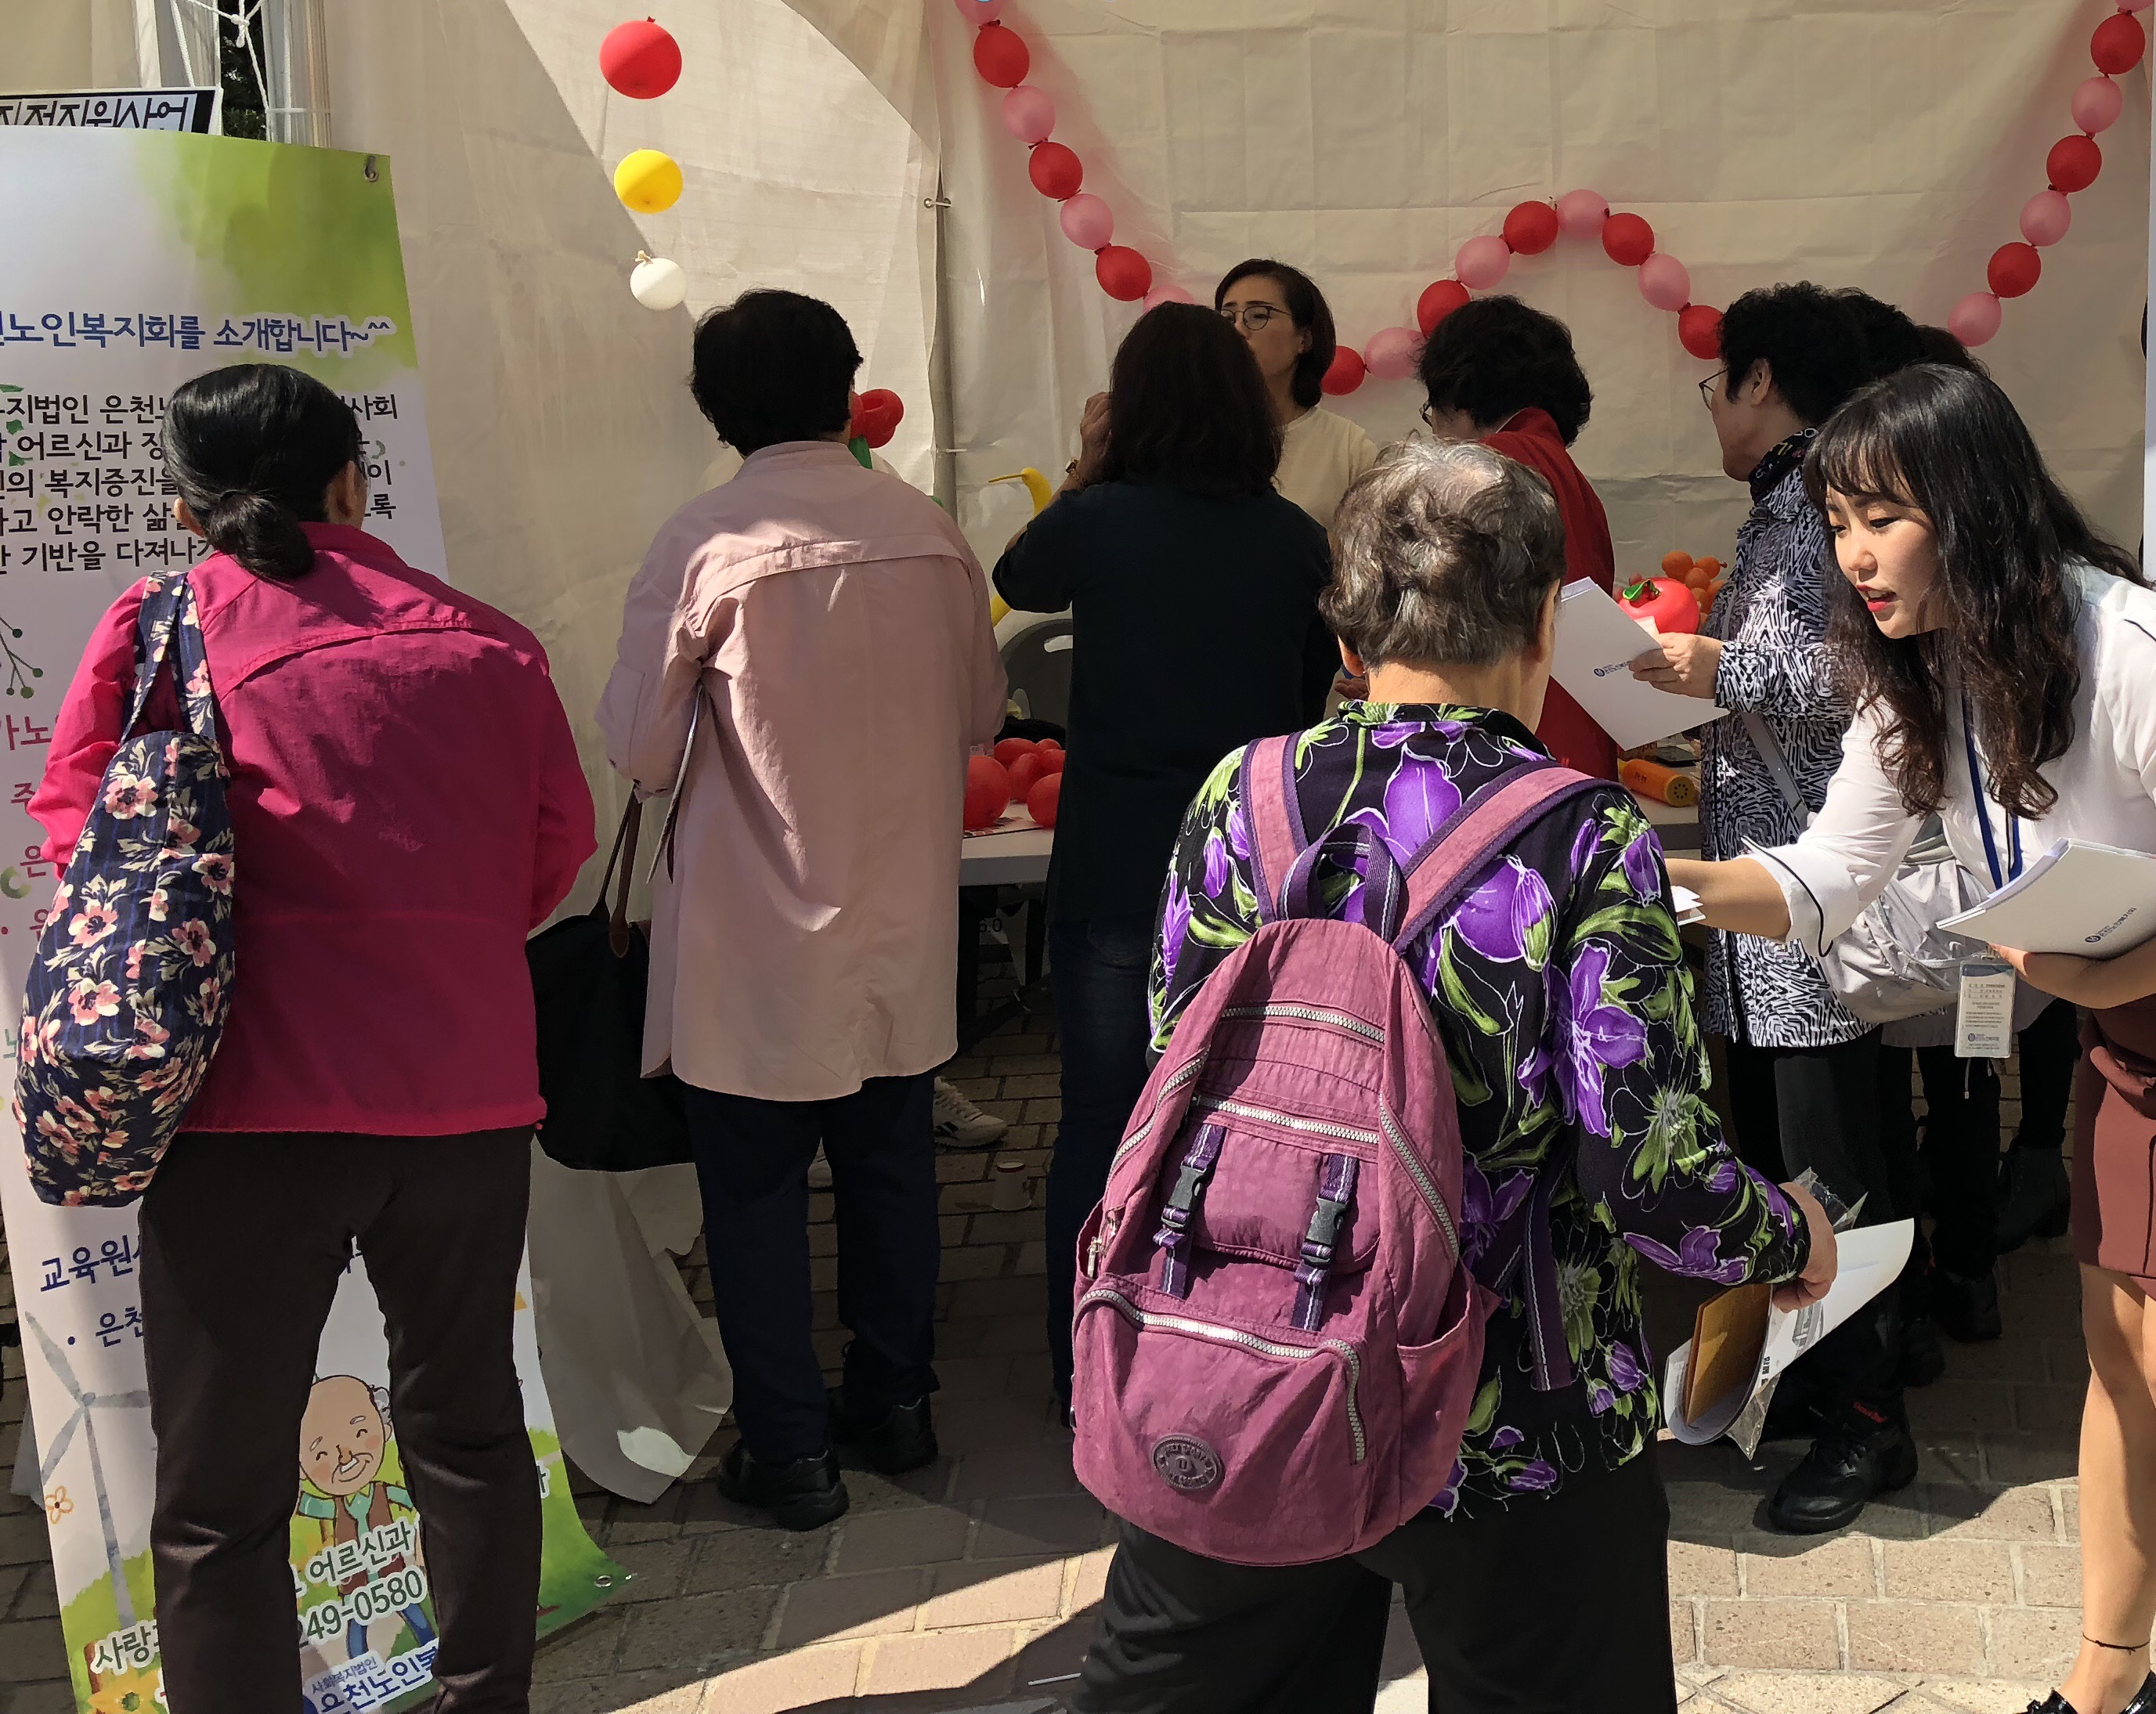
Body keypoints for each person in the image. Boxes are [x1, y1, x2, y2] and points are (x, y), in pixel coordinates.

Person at [1670, 365, 2156, 1714]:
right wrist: (1647, 882)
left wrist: (2088, 975)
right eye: (1836, 523)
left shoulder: (2140, 650)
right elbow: (1827, 873)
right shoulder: (1911, 667)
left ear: (1970, 507)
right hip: (2135, 1018)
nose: (1853, 555)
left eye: (1881, 518)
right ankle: (2101, 1681)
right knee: (2117, 1353)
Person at [1074, 439, 1834, 1713]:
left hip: (1253, 1362)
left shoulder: (1238, 795)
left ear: (1349, 624)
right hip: (1514, 1406)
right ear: (1544, 624)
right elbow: (1644, 1166)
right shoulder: (1581, 832)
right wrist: (1783, 1231)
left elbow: (1174, 1062)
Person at [33, 361, 594, 1714]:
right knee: (470, 1431)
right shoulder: (491, 642)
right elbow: (551, 850)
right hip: (463, 1097)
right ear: (355, 480)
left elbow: (82, 847)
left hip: (247, 1110)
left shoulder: (161, 630)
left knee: (220, 1493)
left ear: (187, 508)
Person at [601, 290, 1004, 1530]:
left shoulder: (704, 540)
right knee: (891, 1173)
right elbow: (982, 716)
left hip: (754, 931)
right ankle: (896, 1405)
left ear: (716, 409)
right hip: (900, 917)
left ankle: (789, 1451)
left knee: (756, 1196)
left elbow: (643, 753)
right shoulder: (929, 532)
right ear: (846, 388)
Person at [990, 303, 1337, 1403]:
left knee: (1101, 1113)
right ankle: (1221, 1359)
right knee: (1236, 1116)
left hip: (1117, 863)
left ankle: (1084, 1372)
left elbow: (1019, 577)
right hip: (1250, 863)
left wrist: (1089, 466)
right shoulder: (1292, 539)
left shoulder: (1100, 521)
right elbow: (1303, 705)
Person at [1623, 282, 1920, 1531]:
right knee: (1796, 1158)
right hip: (1775, 907)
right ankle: (1816, 1375)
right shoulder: (1793, 500)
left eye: (1718, 383)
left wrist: (1713, 664)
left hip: (1810, 903)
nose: (1712, 408)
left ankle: (1868, 1423)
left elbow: (1850, 666)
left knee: (1830, 1165)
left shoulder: (1821, 500)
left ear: (1758, 382)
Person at [1414, 294, 1616, 778]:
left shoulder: (1486, 465)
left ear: (1454, 391)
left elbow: (1450, 607)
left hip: (1512, 744)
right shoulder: (1566, 472)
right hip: (1575, 731)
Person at [1215, 257, 1381, 532]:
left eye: (1258, 315)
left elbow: (1375, 549)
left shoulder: (1348, 448)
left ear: (1304, 339)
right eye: (1227, 318)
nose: (1238, 330)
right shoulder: (1198, 437)